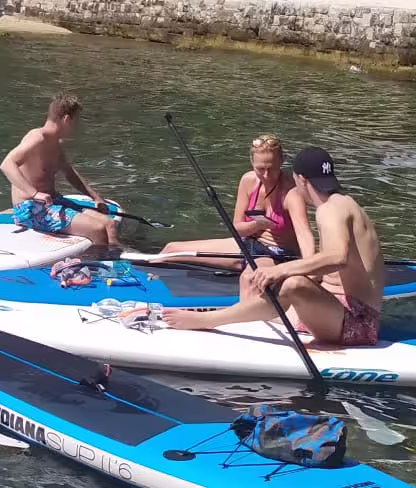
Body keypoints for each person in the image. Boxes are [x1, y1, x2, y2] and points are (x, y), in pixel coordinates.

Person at [162, 147, 384, 346]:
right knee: (256, 290)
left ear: (301, 180)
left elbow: (337, 257)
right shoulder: (346, 203)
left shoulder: (329, 210)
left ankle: (206, 321)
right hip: (339, 312)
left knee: (293, 284)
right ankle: (219, 317)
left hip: (357, 323)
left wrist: (280, 269)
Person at [157, 135, 308, 268]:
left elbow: (304, 235)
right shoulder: (248, 181)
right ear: (251, 163)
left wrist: (308, 268)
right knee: (172, 249)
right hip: (248, 243)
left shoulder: (291, 191)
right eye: (261, 169)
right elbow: (236, 228)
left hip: (277, 254)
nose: (267, 175)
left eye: (272, 168)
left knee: (252, 278)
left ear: (281, 161)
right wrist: (257, 224)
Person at [0, 92, 120, 253]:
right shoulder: (37, 138)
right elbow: (7, 164)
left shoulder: (56, 143)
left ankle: (118, 261)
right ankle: (99, 269)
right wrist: (34, 194)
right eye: (76, 121)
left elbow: (69, 173)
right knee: (97, 229)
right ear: (66, 120)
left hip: (53, 202)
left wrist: (95, 197)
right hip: (31, 209)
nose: (77, 126)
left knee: (109, 224)